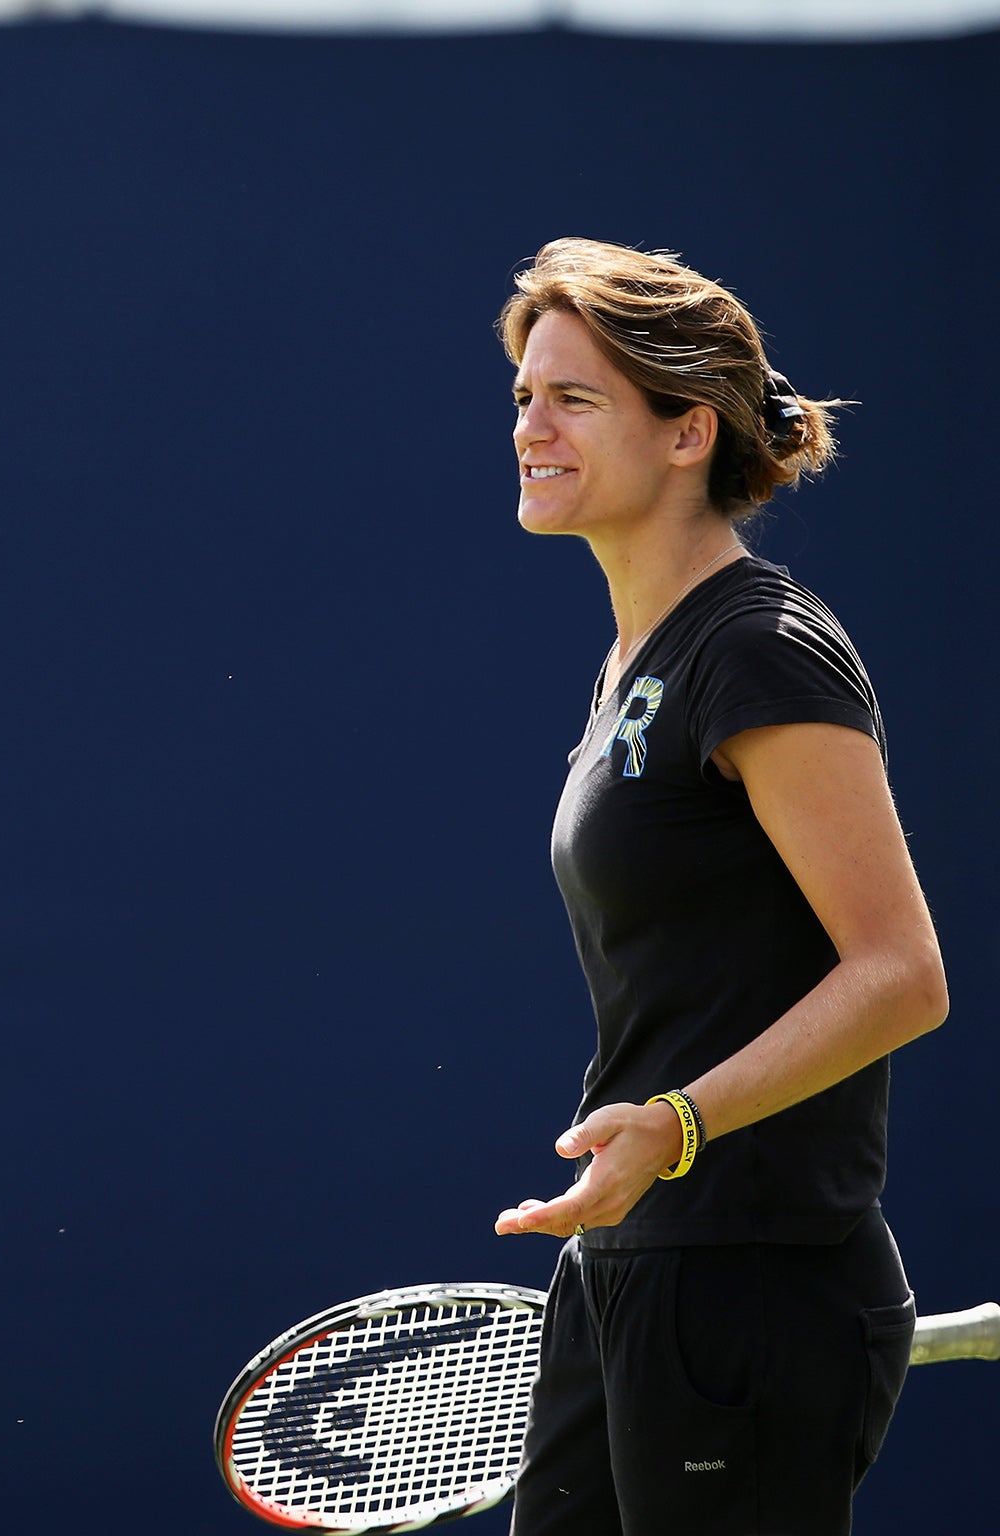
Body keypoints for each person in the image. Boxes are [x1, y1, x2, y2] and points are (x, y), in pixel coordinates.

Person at [492, 239, 948, 1535]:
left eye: (573, 399)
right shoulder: (637, 659)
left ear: (687, 431)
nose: (532, 426)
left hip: (753, 1286)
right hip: (629, 1267)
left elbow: (902, 974)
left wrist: (677, 1126)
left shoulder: (760, 648)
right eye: (524, 396)